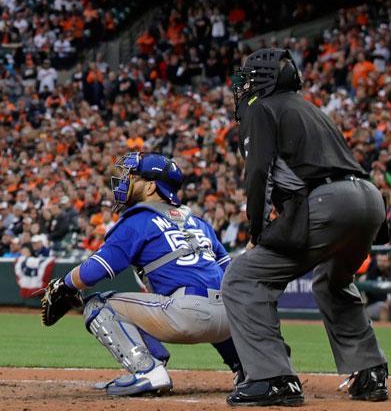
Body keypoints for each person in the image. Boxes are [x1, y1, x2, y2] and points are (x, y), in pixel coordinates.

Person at [223, 48, 388, 406]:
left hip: (328, 202)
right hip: (369, 198)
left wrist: (256, 233)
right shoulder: (310, 107)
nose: (242, 86)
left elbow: (258, 173)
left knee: (243, 278)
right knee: (333, 280)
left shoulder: (260, 106)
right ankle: (369, 371)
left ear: (263, 79)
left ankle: (273, 378)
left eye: (248, 78)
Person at [39, 153, 241, 397]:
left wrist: (65, 283)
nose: (125, 182)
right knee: (218, 297)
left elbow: (93, 271)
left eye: (132, 177)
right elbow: (231, 275)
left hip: (186, 314)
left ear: (150, 186)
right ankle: (244, 369)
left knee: (97, 304)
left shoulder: (139, 220)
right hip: (230, 319)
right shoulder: (199, 223)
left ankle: (147, 370)